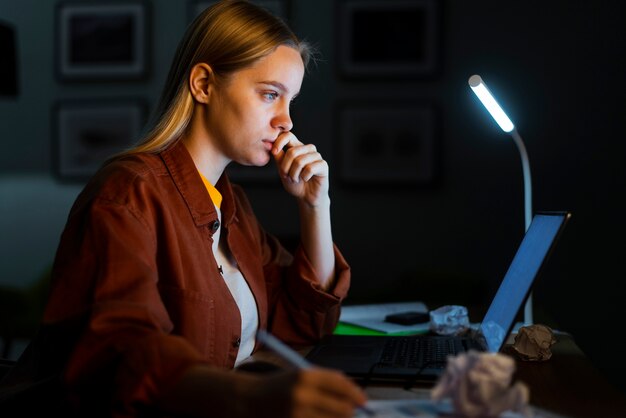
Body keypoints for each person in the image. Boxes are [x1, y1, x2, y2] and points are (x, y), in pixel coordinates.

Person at [0, 1, 367, 417]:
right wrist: (249, 398)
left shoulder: (232, 205)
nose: (286, 121)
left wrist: (317, 206)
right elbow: (120, 353)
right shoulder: (128, 194)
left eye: (291, 101)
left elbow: (304, 320)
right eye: (270, 95)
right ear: (204, 85)